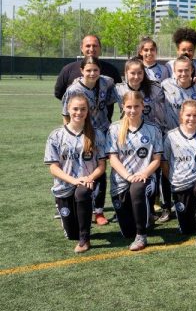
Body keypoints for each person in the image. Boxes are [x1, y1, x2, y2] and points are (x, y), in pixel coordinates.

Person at [44, 94, 107, 253]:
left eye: (83, 109)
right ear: (68, 109)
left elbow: (101, 165)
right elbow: (53, 167)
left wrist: (89, 178)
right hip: (65, 185)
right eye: (75, 109)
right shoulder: (56, 135)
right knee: (71, 234)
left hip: (87, 183)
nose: (79, 112)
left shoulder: (96, 134)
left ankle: (85, 240)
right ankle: (77, 226)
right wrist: (73, 180)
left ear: (88, 111)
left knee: (82, 193)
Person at [61, 57, 118, 225]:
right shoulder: (73, 90)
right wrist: (71, 136)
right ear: (82, 70)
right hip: (83, 132)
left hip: (103, 132)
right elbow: (65, 115)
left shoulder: (107, 82)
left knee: (101, 170)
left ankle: (98, 211)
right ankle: (73, 204)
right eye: (88, 70)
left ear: (100, 71)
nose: (92, 73)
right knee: (81, 168)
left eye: (95, 70)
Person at [106, 91, 163, 251]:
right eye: (129, 106)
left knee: (137, 189)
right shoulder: (114, 129)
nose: (132, 110)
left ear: (143, 106)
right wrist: (128, 176)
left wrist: (144, 174)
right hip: (121, 181)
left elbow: (157, 160)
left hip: (145, 179)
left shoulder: (153, 129)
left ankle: (141, 235)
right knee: (126, 232)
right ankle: (144, 218)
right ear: (123, 107)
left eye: (136, 106)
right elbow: (113, 158)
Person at [162, 100, 196, 247]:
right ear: (181, 115)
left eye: (195, 115)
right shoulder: (170, 137)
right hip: (180, 182)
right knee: (186, 229)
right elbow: (165, 163)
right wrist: (173, 178)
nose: (191, 119)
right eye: (188, 115)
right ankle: (193, 215)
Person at [54, 34, 122, 101]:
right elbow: (59, 94)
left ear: (100, 48)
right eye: (88, 46)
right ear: (82, 48)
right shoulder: (68, 69)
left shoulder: (111, 70)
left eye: (95, 46)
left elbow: (119, 93)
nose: (91, 49)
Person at [161, 55, 196, 131]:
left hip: (194, 135)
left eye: (186, 70)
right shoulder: (166, 85)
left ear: (192, 70)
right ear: (174, 71)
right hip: (172, 134)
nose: (183, 74)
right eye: (180, 71)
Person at [114, 58, 166, 129]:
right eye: (132, 73)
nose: (136, 77)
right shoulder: (118, 89)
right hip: (128, 128)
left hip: (151, 130)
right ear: (126, 73)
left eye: (140, 73)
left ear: (144, 73)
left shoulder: (155, 88)